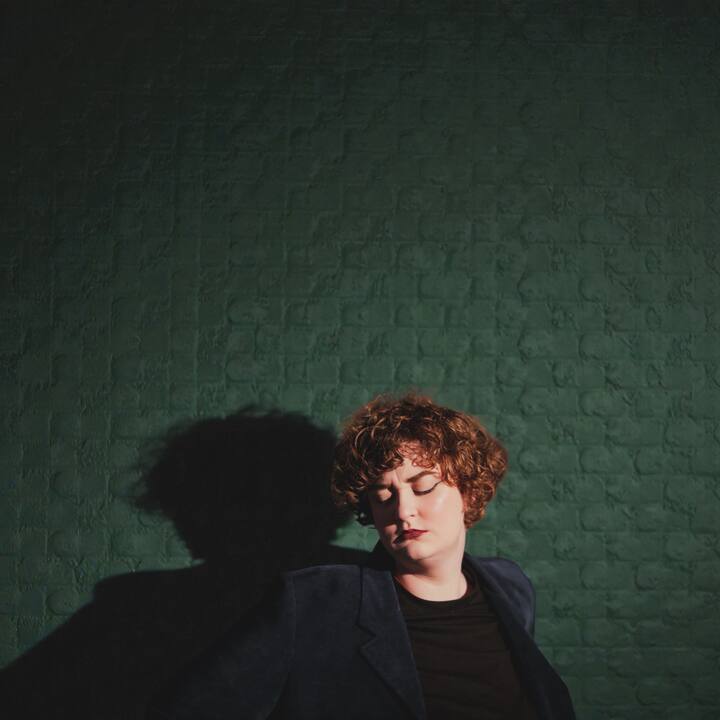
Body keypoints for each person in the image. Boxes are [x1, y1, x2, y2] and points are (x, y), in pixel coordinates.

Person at [148, 394, 576, 720]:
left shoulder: (510, 586)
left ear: (469, 490)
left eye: (423, 487)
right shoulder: (314, 600)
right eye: (383, 494)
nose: (403, 510)